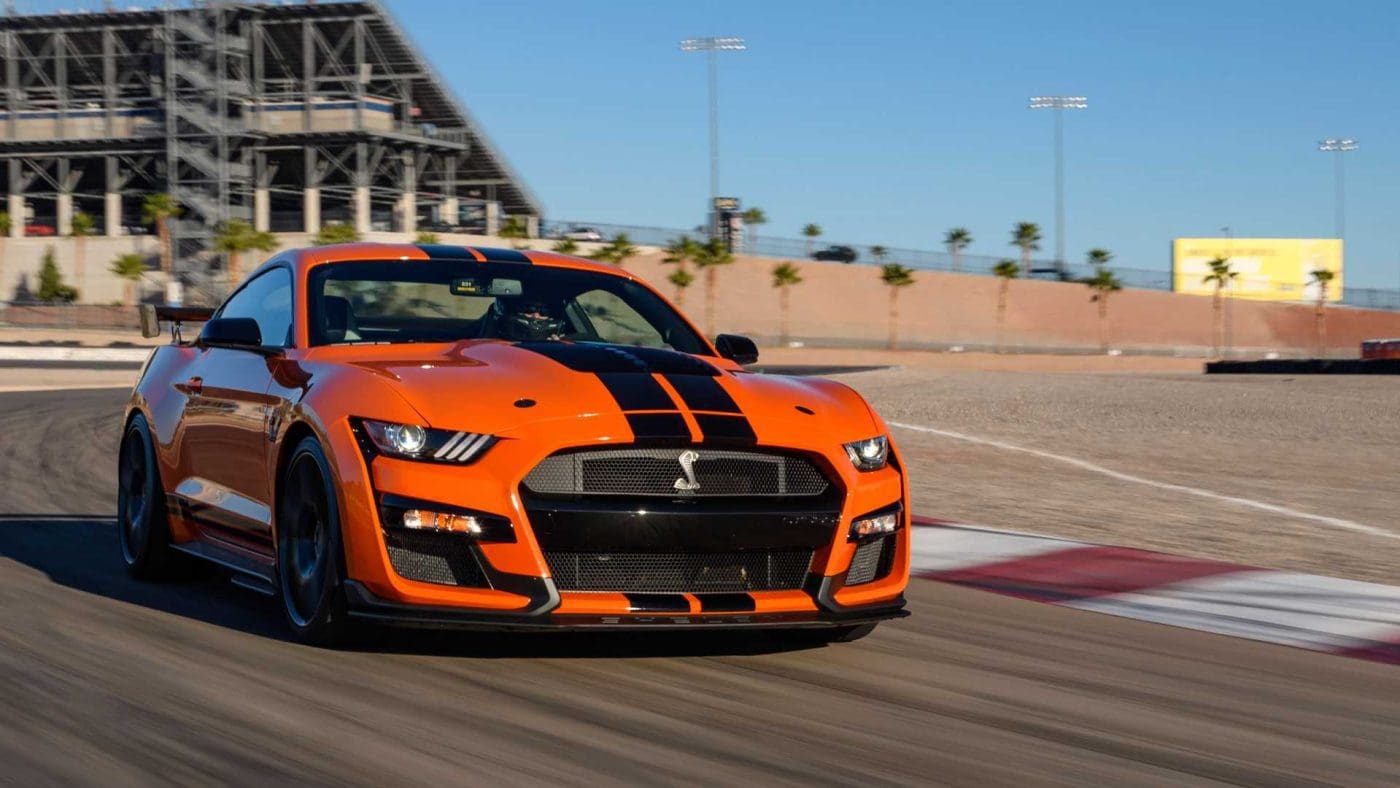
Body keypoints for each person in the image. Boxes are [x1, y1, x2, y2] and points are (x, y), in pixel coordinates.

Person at [481, 297, 568, 341]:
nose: (536, 316)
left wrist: (556, 346)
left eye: (543, 311)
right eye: (529, 309)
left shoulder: (559, 341)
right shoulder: (496, 339)